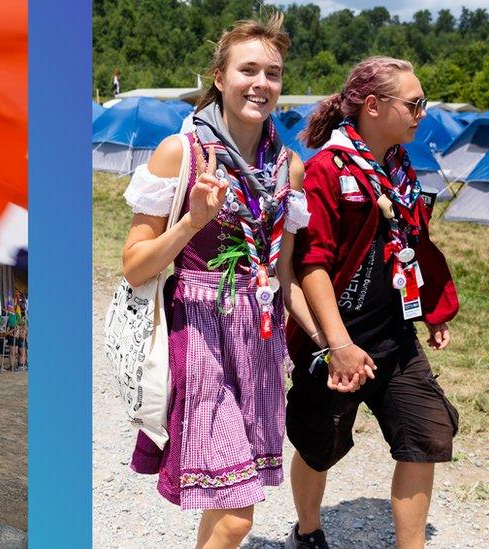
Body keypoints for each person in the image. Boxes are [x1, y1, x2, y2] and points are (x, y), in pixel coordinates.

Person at [122, 14, 319, 548]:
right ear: (219, 76)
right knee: (236, 516)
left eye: (273, 73)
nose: (262, 84)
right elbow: (134, 264)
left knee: (226, 501)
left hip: (258, 342)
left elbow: (283, 273)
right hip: (200, 335)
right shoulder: (179, 154)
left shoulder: (288, 168)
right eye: (248, 69)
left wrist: (332, 342)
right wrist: (192, 222)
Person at [284, 56, 460, 549]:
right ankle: (309, 531)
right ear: (373, 105)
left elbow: (411, 246)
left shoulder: (400, 171)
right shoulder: (326, 169)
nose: (422, 111)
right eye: (414, 103)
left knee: (426, 437)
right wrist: (336, 344)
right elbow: (311, 264)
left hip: (395, 339)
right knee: (321, 446)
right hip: (336, 341)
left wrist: (431, 307)